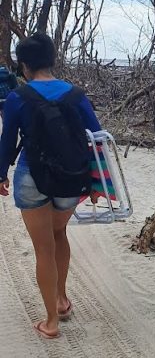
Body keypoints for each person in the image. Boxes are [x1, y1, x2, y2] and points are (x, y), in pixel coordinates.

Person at [0, 34, 100, 339]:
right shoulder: (76, 94)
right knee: (59, 234)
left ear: (24, 65)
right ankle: (61, 300)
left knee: (43, 248)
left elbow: (7, 141)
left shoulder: (19, 97)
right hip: (71, 178)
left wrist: (1, 173)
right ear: (52, 60)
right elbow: (97, 137)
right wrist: (98, 184)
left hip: (32, 178)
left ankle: (51, 323)